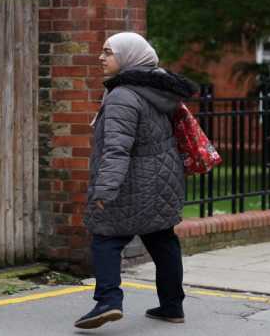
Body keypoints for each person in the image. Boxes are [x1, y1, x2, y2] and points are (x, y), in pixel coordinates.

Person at [74, 32, 197, 329]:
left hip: (132, 181)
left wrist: (105, 189)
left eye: (108, 52)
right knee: (162, 239)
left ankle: (108, 301)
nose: (101, 58)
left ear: (128, 57)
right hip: (163, 179)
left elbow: (117, 148)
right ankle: (172, 306)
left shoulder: (123, 95)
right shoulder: (157, 87)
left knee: (105, 237)